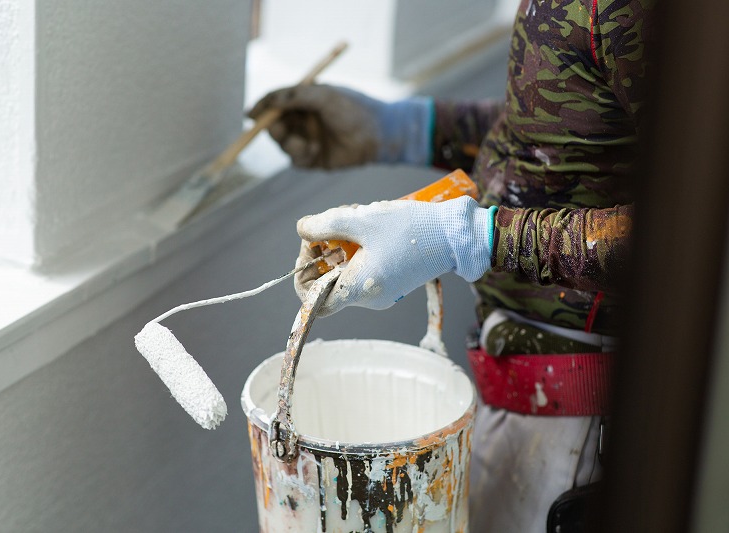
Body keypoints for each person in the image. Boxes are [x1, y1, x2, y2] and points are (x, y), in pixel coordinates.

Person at [249, 0, 655, 531]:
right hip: (530, 400)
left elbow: (691, 232)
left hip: (580, 421)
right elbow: (558, 130)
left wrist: (473, 238)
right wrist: (407, 129)